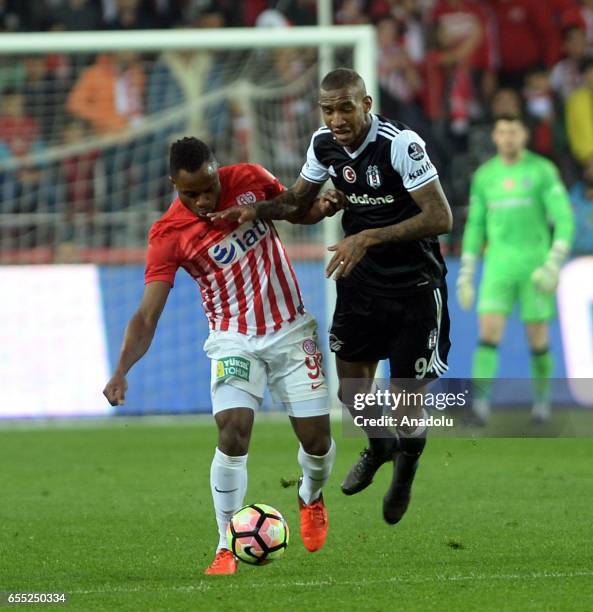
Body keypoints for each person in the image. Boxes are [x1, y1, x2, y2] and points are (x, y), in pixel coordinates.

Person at [209, 68, 453, 525]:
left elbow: (440, 217)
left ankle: (405, 471)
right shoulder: (323, 144)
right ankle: (380, 448)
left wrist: (367, 238)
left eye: (345, 107)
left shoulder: (400, 145)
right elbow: (298, 202)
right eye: (328, 108)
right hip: (361, 282)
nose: (337, 117)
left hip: (415, 288)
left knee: (406, 405)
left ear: (366, 104)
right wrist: (255, 210)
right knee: (353, 392)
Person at [102, 137, 338, 575]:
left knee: (318, 442)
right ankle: (226, 543)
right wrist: (121, 370)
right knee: (233, 432)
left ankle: (310, 494)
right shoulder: (168, 235)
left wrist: (319, 210)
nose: (203, 199)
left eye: (209, 187)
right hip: (233, 338)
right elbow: (147, 314)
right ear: (174, 184)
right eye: (190, 193)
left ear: (217, 170)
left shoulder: (249, 178)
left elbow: (292, 209)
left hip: (290, 329)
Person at [457, 114, 575, 424]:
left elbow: (563, 218)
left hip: (534, 267)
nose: (508, 137)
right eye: (502, 132)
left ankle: (542, 406)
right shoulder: (485, 176)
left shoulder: (541, 171)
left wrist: (554, 262)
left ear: (524, 135)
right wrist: (467, 271)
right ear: (494, 136)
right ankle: (480, 407)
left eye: (514, 131)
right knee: (488, 334)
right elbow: (476, 224)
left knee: (537, 338)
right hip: (498, 267)